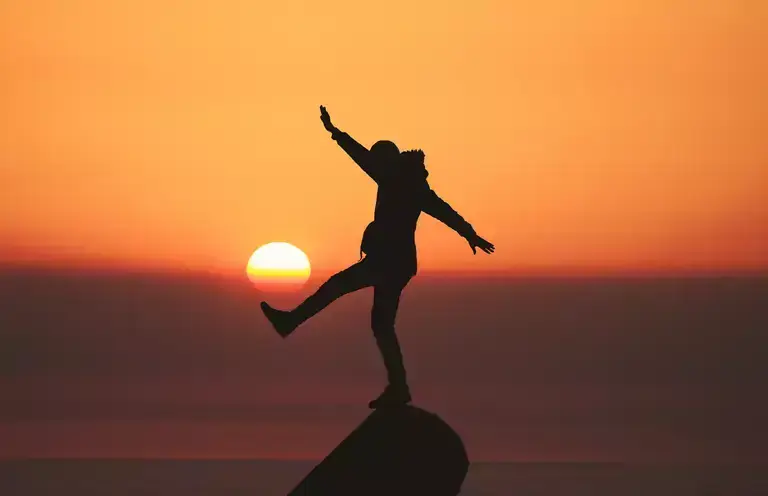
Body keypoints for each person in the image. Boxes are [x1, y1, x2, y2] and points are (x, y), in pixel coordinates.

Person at [261, 106, 495, 409]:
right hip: (397, 265)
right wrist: (469, 234)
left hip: (388, 263)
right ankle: (398, 387)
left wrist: (335, 133)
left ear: (387, 160)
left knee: (337, 288)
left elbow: (363, 158)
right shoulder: (412, 183)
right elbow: (444, 210)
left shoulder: (396, 178)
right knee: (381, 325)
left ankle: (291, 321)